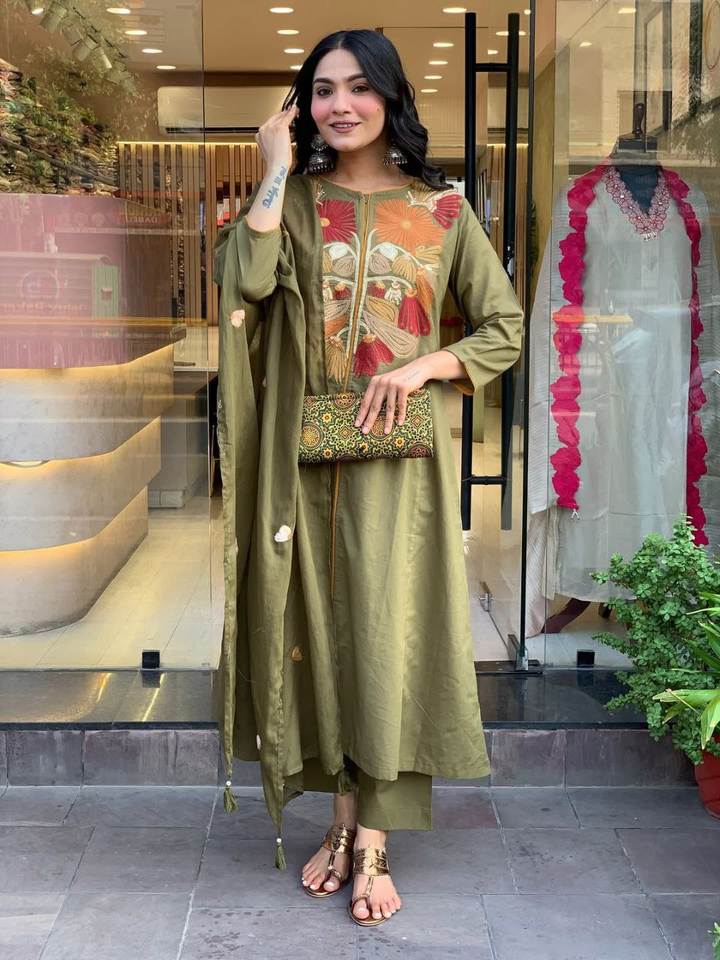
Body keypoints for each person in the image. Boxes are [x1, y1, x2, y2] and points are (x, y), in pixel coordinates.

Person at [213, 28, 523, 928]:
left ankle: (376, 837)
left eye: (357, 87)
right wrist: (274, 164)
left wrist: (425, 366)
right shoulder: (293, 202)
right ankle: (341, 822)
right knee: (315, 631)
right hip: (301, 461)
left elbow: (503, 326)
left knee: (383, 635)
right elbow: (246, 282)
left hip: (398, 468)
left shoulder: (444, 211)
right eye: (321, 90)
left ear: (390, 97)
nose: (338, 105)